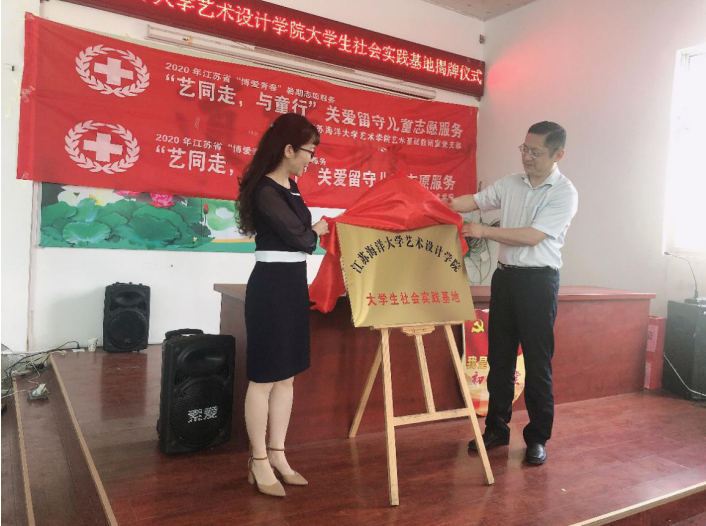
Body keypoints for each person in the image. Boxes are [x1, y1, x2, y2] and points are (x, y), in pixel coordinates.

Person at [443, 121, 578, 465]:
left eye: (536, 152)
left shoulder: (564, 192)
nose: (527, 157)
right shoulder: (511, 183)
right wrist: (444, 204)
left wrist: (483, 231)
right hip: (504, 280)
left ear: (558, 154)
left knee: (537, 361)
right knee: (499, 359)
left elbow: (533, 236)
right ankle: (496, 429)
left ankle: (537, 437)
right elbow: (474, 201)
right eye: (524, 149)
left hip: (539, 283)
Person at [237, 113, 329, 497]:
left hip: (293, 286)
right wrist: (317, 230)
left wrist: (313, 232)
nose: (311, 159)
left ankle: (278, 453)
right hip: (271, 288)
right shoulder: (265, 190)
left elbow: (302, 238)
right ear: (289, 149)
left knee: (287, 376)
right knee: (263, 379)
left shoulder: (290, 186)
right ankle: (258, 459)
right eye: (309, 151)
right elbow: (302, 239)